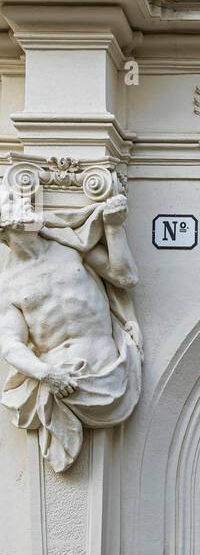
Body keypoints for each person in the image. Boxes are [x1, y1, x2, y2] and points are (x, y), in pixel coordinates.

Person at [0, 191, 142, 472]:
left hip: (106, 368)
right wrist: (46, 374)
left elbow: (125, 277)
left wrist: (113, 228)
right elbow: (10, 344)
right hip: (59, 380)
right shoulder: (8, 285)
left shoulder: (71, 246)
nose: (25, 204)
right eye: (13, 202)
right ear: (3, 224)